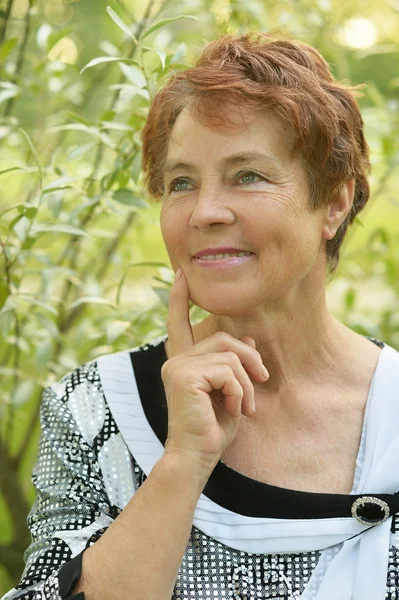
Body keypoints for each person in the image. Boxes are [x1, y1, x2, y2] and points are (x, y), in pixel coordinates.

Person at [2, 31, 399, 600]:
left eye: (249, 175)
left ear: (334, 202)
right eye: (181, 183)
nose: (205, 212)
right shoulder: (97, 409)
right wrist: (184, 462)